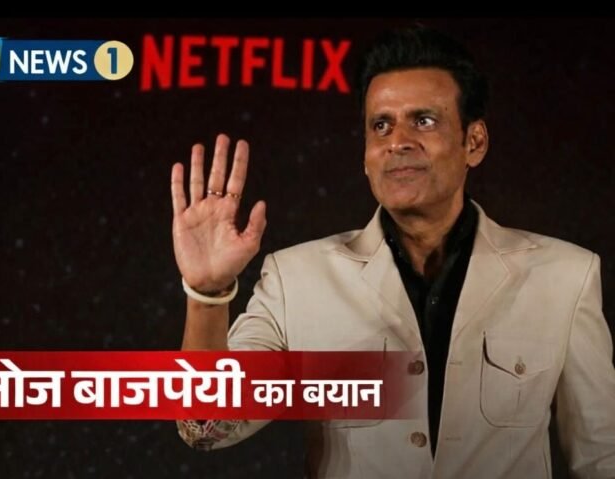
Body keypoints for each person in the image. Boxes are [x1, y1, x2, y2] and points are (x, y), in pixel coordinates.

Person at [169, 26, 615, 478]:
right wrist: (207, 293)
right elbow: (206, 426)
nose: (397, 141)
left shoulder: (565, 277)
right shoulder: (295, 279)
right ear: (365, 155)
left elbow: (603, 456)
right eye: (380, 125)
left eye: (424, 121)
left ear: (474, 142)